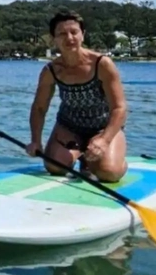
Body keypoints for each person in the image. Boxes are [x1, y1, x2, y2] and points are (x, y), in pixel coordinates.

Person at [27, 10, 128, 182]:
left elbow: (119, 108)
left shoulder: (102, 64)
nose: (69, 38)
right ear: (53, 39)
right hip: (69, 126)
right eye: (62, 34)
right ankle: (80, 155)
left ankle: (115, 160)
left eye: (74, 32)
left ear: (83, 35)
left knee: (108, 173)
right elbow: (39, 108)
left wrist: (104, 140)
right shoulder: (51, 70)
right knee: (54, 166)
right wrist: (35, 141)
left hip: (102, 127)